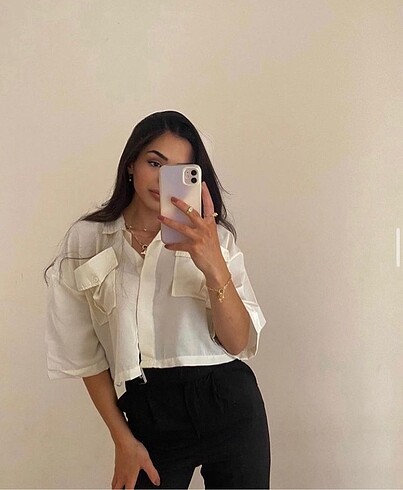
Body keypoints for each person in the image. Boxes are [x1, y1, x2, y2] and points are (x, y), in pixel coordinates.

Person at [44, 110, 271, 489]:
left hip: (229, 404)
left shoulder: (214, 239)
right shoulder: (87, 240)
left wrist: (214, 266)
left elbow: (238, 342)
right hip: (149, 412)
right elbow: (85, 356)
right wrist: (123, 440)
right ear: (131, 164)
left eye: (180, 171)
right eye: (155, 163)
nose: (164, 179)